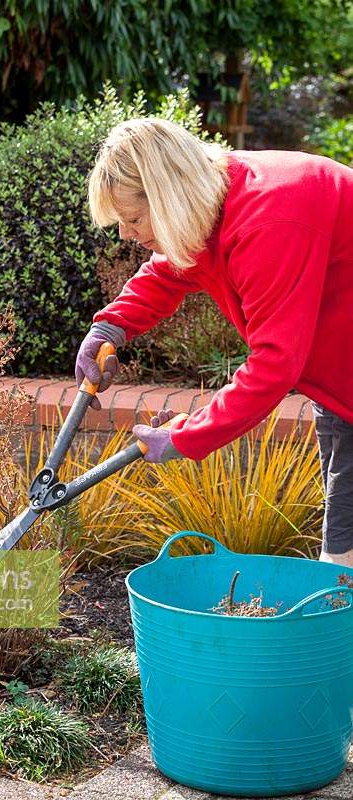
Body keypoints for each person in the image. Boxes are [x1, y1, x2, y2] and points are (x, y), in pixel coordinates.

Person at [74, 117, 353, 567]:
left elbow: (274, 365)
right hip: (341, 384)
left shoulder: (269, 221)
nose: (125, 233)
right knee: (342, 544)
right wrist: (110, 326)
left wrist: (187, 435)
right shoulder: (214, 204)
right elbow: (167, 271)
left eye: (131, 219)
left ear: (167, 197)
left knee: (343, 556)